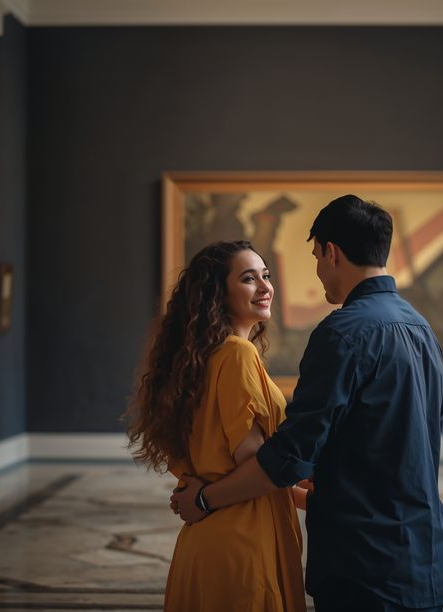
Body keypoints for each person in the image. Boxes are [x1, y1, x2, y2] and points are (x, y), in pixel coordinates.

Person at [171, 195, 443, 612]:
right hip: (422, 553)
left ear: (331, 253)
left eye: (316, 256)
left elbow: (290, 456)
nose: (318, 270)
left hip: (362, 562)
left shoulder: (342, 333)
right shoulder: (421, 329)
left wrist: (203, 500)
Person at [125, 240, 307, 612]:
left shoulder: (203, 358)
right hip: (242, 539)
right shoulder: (237, 355)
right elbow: (257, 465)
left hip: (205, 539)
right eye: (248, 278)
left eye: (266, 276)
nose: (264, 286)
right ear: (218, 294)